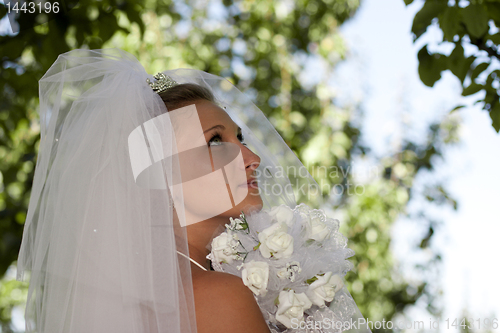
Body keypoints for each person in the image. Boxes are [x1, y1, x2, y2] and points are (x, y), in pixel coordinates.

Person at [16, 49, 366, 333]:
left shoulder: (145, 298)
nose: (253, 157)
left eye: (239, 138)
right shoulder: (218, 296)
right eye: (215, 141)